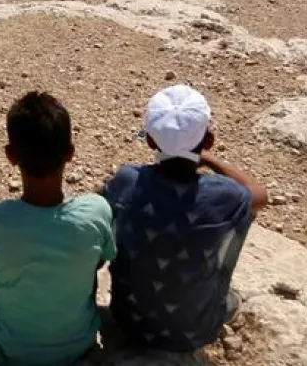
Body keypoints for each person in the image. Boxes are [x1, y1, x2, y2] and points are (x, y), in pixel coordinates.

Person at [0, 91, 116, 366]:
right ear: (70, 152)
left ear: (10, 155)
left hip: (15, 353)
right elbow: (102, 258)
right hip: (78, 348)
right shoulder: (97, 211)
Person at [101, 84, 269, 354]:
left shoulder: (127, 181)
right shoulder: (224, 196)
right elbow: (260, 195)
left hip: (129, 320)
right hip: (194, 332)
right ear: (209, 140)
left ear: (150, 141)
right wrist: (212, 160)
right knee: (241, 217)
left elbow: (101, 196)